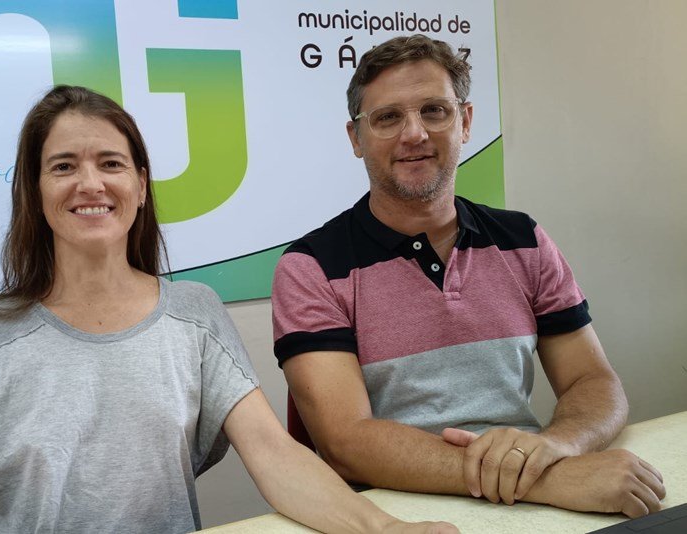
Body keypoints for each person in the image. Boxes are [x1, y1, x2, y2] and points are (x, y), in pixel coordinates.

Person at [0, 85, 456, 533]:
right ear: (35, 190)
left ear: (141, 185)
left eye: (111, 163)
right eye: (63, 166)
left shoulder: (195, 314)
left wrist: (384, 529)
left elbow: (275, 455)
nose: (90, 183)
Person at [272, 35, 666, 519]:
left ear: (465, 122)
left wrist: (560, 446)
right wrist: (547, 479)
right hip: (393, 518)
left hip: (536, 501)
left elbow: (593, 380)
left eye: (434, 111)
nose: (414, 133)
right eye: (388, 117)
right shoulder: (311, 267)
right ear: (356, 138)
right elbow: (345, 442)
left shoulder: (524, 239)